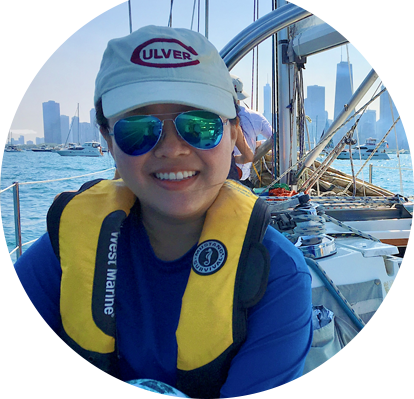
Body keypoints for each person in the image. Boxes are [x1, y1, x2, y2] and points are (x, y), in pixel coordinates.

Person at [0, 26, 312, 399]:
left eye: (199, 126)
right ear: (109, 141)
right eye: (138, 130)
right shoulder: (69, 245)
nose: (172, 149)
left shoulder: (276, 273)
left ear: (233, 135)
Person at [231, 75, 273, 187]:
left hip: (223, 180)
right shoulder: (255, 117)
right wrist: (257, 144)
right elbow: (275, 139)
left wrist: (230, 160)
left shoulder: (218, 118)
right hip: (242, 179)